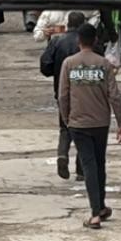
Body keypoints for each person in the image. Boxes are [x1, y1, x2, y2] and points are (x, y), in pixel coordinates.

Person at [58, 23, 121, 230]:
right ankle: (101, 207)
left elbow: (63, 95)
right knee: (99, 163)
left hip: (78, 122)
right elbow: (113, 95)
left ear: (79, 40)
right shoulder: (104, 64)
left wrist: (66, 118)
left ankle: (95, 213)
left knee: (88, 165)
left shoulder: (69, 64)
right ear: (95, 40)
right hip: (100, 122)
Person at [41, 11, 88, 182]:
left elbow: (45, 66)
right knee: (83, 130)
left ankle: (62, 154)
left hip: (62, 91)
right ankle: (81, 170)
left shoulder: (57, 42)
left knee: (65, 127)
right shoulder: (87, 43)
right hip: (84, 93)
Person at [33, 0, 99, 42]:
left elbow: (95, 13)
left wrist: (87, 29)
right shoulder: (49, 11)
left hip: (77, 46)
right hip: (57, 47)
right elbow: (36, 35)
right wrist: (44, 33)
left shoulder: (77, 4)